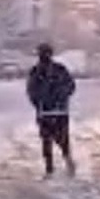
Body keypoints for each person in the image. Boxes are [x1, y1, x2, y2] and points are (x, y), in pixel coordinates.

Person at [26, 43, 77, 178]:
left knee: (47, 140)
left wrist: (39, 103)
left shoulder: (36, 71)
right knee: (61, 139)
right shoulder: (59, 69)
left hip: (48, 112)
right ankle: (64, 162)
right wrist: (62, 97)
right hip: (58, 111)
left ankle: (51, 168)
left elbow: (31, 91)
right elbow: (71, 86)